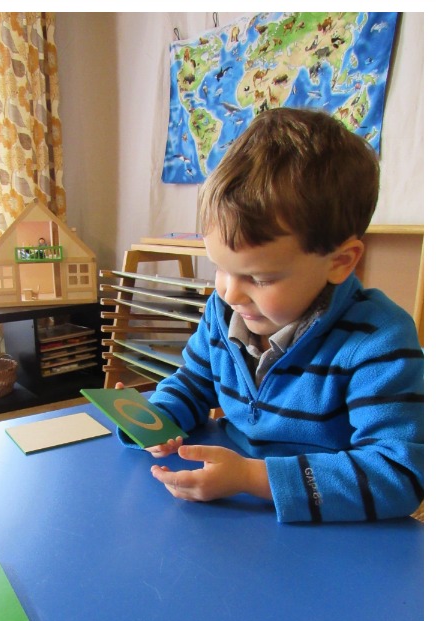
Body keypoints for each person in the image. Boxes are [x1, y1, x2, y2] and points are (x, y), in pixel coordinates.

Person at [120, 107, 422, 523]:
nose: (229, 292)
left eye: (259, 278)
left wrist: (251, 477)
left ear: (340, 262)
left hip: (328, 529)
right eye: (220, 267)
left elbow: (398, 476)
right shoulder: (224, 311)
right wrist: (158, 418)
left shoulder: (378, 339)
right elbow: (195, 381)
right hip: (232, 512)